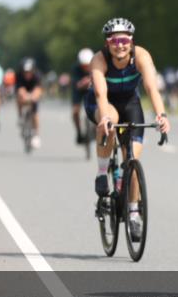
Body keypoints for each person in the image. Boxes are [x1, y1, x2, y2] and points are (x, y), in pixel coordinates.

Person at [84, 17, 170, 241]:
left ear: (131, 41)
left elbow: (152, 88)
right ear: (107, 43)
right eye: (113, 40)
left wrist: (161, 115)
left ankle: (133, 213)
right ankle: (103, 172)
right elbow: (101, 94)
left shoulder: (141, 55)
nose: (119, 44)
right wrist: (104, 117)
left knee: (132, 159)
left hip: (130, 103)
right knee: (110, 120)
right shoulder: (99, 60)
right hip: (101, 103)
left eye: (123, 39)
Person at [16, 57, 44, 149]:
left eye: (29, 72)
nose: (27, 74)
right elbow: (20, 89)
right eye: (25, 72)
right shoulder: (19, 75)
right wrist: (24, 96)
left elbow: (38, 89)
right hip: (23, 90)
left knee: (35, 113)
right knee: (19, 99)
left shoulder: (37, 75)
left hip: (33, 91)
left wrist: (33, 97)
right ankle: (20, 116)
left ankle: (36, 134)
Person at [71, 47, 95, 145]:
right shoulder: (75, 69)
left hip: (92, 88)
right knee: (75, 111)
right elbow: (76, 84)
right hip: (79, 91)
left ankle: (95, 129)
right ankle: (79, 132)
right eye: (83, 65)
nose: (86, 67)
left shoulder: (96, 65)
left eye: (87, 65)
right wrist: (83, 82)